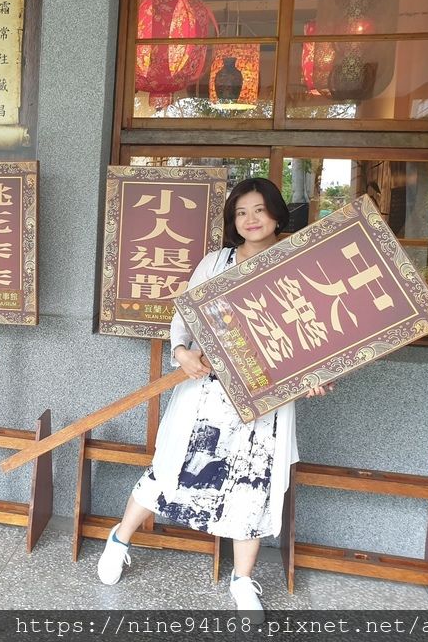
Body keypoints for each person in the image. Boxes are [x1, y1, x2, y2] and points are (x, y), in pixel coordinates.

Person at [96, 177, 332, 616]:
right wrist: (182, 353)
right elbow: (183, 319)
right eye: (241, 212)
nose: (250, 220)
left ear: (277, 213)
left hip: (266, 401)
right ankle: (120, 538)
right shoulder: (216, 262)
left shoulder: (300, 265)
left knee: (253, 483)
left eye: (259, 210)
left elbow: (316, 336)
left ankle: (243, 581)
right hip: (205, 393)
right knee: (171, 469)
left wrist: (314, 377)